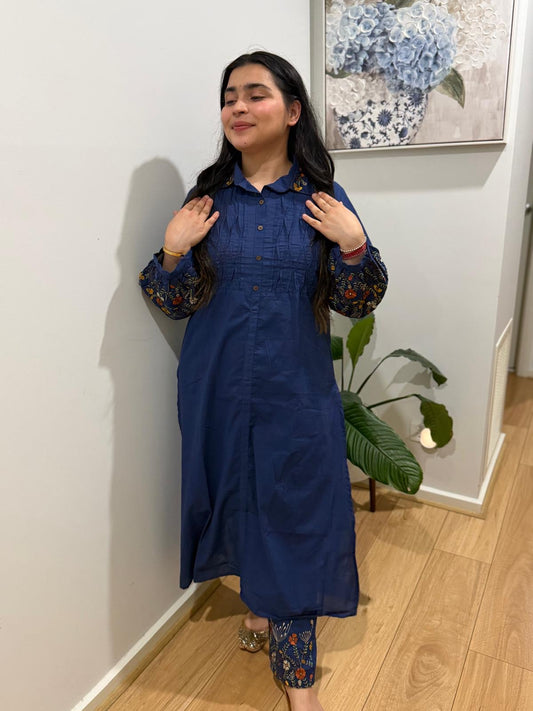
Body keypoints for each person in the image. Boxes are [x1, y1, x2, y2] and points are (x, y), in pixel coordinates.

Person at [139, 50, 388, 711]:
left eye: (255, 94)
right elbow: (174, 302)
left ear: (293, 110)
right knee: (237, 496)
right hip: (215, 388)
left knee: (298, 513)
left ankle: (297, 677)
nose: (238, 108)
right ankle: (260, 603)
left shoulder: (321, 200)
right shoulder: (207, 200)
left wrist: (353, 243)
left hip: (294, 392)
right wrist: (172, 249)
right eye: (229, 97)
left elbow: (358, 300)